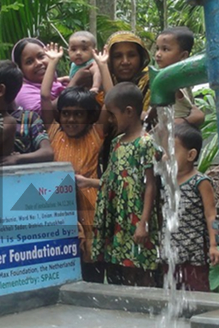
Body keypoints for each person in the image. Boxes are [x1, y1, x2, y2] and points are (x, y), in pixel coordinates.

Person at [40, 44, 107, 282]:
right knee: (62, 265)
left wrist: (102, 65)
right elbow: (45, 96)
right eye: (67, 113)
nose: (71, 119)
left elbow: (108, 101)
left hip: (89, 207)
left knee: (93, 269)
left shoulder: (95, 134)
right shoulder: (55, 132)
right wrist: (52, 63)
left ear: (88, 117)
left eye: (78, 114)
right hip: (58, 209)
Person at [92, 82, 159, 286]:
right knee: (121, 267)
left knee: (141, 267)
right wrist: (87, 182)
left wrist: (143, 222)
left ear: (129, 111)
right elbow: (111, 179)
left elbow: (151, 184)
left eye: (112, 114)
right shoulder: (116, 142)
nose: (110, 120)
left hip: (136, 216)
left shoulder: (146, 143)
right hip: (118, 216)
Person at [166, 124, 219, 292]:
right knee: (171, 290)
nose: (167, 156)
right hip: (170, 250)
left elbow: (211, 214)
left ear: (191, 155)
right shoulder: (165, 181)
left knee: (197, 291)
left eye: (172, 151)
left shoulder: (200, 182)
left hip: (193, 251)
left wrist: (213, 245)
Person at [153, 27, 205, 128]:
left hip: (178, 135)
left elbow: (171, 123)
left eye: (165, 49)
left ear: (183, 56)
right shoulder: (184, 80)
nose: (158, 54)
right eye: (157, 48)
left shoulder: (172, 82)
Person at [13, 37, 64, 112]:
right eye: (29, 62)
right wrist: (75, 83)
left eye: (41, 56)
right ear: (21, 70)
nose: (38, 63)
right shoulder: (23, 93)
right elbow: (44, 114)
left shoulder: (59, 83)